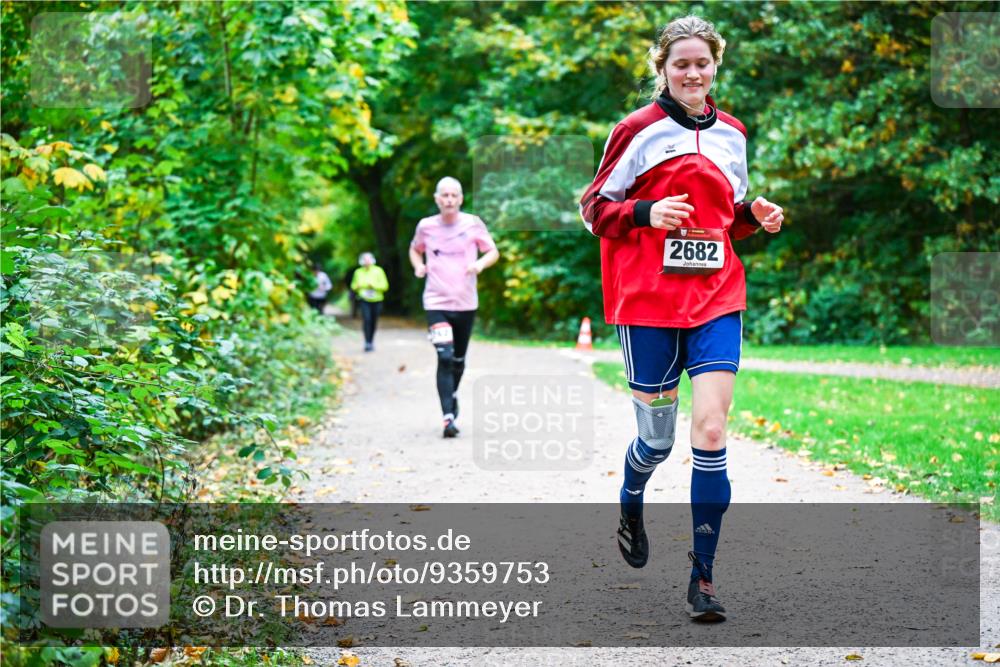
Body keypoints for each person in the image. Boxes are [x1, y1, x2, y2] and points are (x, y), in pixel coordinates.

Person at [579, 16, 784, 622]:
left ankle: (703, 577)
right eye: (681, 64)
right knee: (657, 441)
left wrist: (755, 215)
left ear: (716, 64)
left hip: (716, 295)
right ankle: (631, 495)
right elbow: (594, 209)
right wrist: (646, 212)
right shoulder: (636, 129)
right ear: (663, 68)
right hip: (647, 301)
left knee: (712, 430)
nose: (692, 74)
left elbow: (728, 217)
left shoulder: (733, 133)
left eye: (702, 63)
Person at [409, 177, 499, 438]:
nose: (449, 200)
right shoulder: (426, 226)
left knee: (458, 359)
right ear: (437, 199)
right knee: (445, 356)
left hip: (466, 303)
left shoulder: (473, 223)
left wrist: (479, 264)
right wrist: (418, 265)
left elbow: (492, 251)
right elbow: (414, 250)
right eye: (444, 195)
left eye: (453, 195)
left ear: (460, 199)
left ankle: (453, 394)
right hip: (435, 302)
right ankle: (448, 417)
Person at [350, 252, 389, 352]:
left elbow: (385, 286)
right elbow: (353, 286)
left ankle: (371, 341)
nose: (367, 262)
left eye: (368, 259)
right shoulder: (358, 272)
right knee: (366, 320)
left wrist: (373, 286)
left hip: (377, 299)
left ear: (372, 260)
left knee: (373, 321)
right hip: (364, 299)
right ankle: (367, 342)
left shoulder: (379, 270)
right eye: (365, 259)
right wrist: (357, 286)